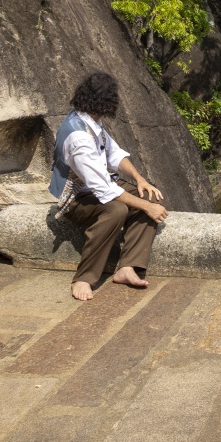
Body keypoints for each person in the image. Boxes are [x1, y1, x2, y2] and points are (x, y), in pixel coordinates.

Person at [49, 72, 169, 301]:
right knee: (117, 210)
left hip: (100, 187)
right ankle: (84, 277)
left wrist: (140, 180)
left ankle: (128, 266)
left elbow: (114, 155)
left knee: (151, 197)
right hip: (76, 199)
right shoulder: (78, 136)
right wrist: (145, 207)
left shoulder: (91, 121)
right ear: (106, 103)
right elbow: (104, 190)